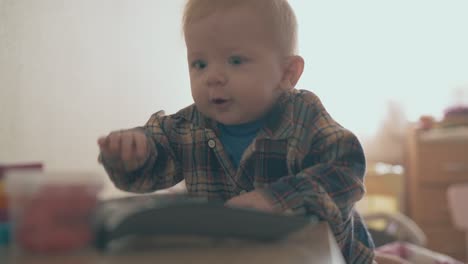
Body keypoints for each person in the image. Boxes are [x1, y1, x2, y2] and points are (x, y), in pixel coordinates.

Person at [97, 0, 374, 262]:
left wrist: (276, 200)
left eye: (236, 61)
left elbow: (345, 167)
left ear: (286, 73)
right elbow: (153, 160)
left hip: (320, 257)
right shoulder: (188, 127)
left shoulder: (302, 115)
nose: (213, 77)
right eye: (199, 64)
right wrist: (133, 153)